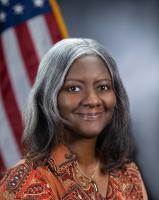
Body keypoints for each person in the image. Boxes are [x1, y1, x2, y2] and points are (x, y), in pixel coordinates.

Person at [0, 38, 148, 199]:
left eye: (103, 87)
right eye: (74, 88)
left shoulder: (129, 174)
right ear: (49, 97)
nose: (92, 100)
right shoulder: (27, 182)